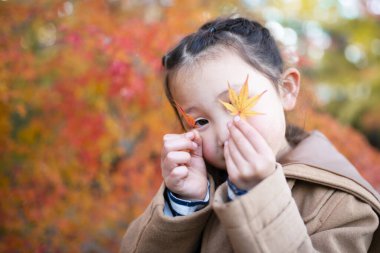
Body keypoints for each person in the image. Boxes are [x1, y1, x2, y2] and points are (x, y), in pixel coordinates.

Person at [120, 17, 380, 252]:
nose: (224, 133)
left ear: (286, 90)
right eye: (200, 121)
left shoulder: (342, 202)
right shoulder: (203, 189)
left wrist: (257, 194)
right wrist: (185, 203)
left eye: (236, 103)